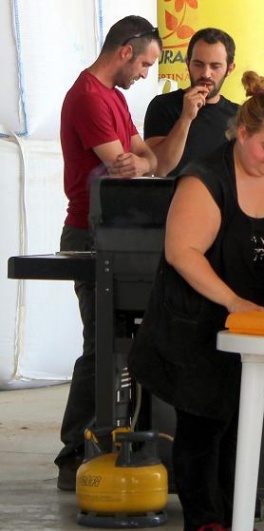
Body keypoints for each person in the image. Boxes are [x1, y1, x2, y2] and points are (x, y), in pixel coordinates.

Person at [127, 71, 264, 531]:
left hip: (256, 327)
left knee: (244, 423)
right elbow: (182, 253)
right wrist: (234, 303)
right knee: (204, 425)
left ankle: (238, 520)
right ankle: (202, 529)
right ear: (241, 134)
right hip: (197, 323)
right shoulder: (204, 177)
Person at [56, 16, 161, 491]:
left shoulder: (116, 98)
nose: (144, 74)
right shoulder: (88, 98)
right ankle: (72, 453)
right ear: (124, 51)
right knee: (101, 347)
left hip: (121, 238)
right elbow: (121, 167)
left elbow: (146, 159)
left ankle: (120, 438)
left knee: (124, 345)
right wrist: (138, 163)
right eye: (144, 62)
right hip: (90, 236)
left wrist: (141, 162)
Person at [144, 27, 238, 176]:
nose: (206, 74)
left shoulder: (239, 115)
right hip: (172, 198)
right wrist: (186, 118)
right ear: (187, 63)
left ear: (230, 69)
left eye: (215, 66)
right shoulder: (162, 106)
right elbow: (159, 168)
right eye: (198, 64)